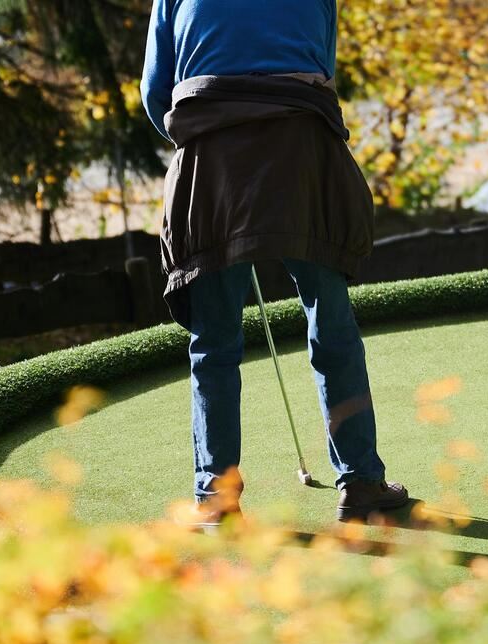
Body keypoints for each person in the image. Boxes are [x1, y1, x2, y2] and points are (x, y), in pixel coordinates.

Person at [140, 0, 409, 523]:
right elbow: (323, 68)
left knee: (214, 343)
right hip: (302, 149)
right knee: (331, 323)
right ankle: (360, 481)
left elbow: (156, 94)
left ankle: (215, 500)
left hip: (213, 157)